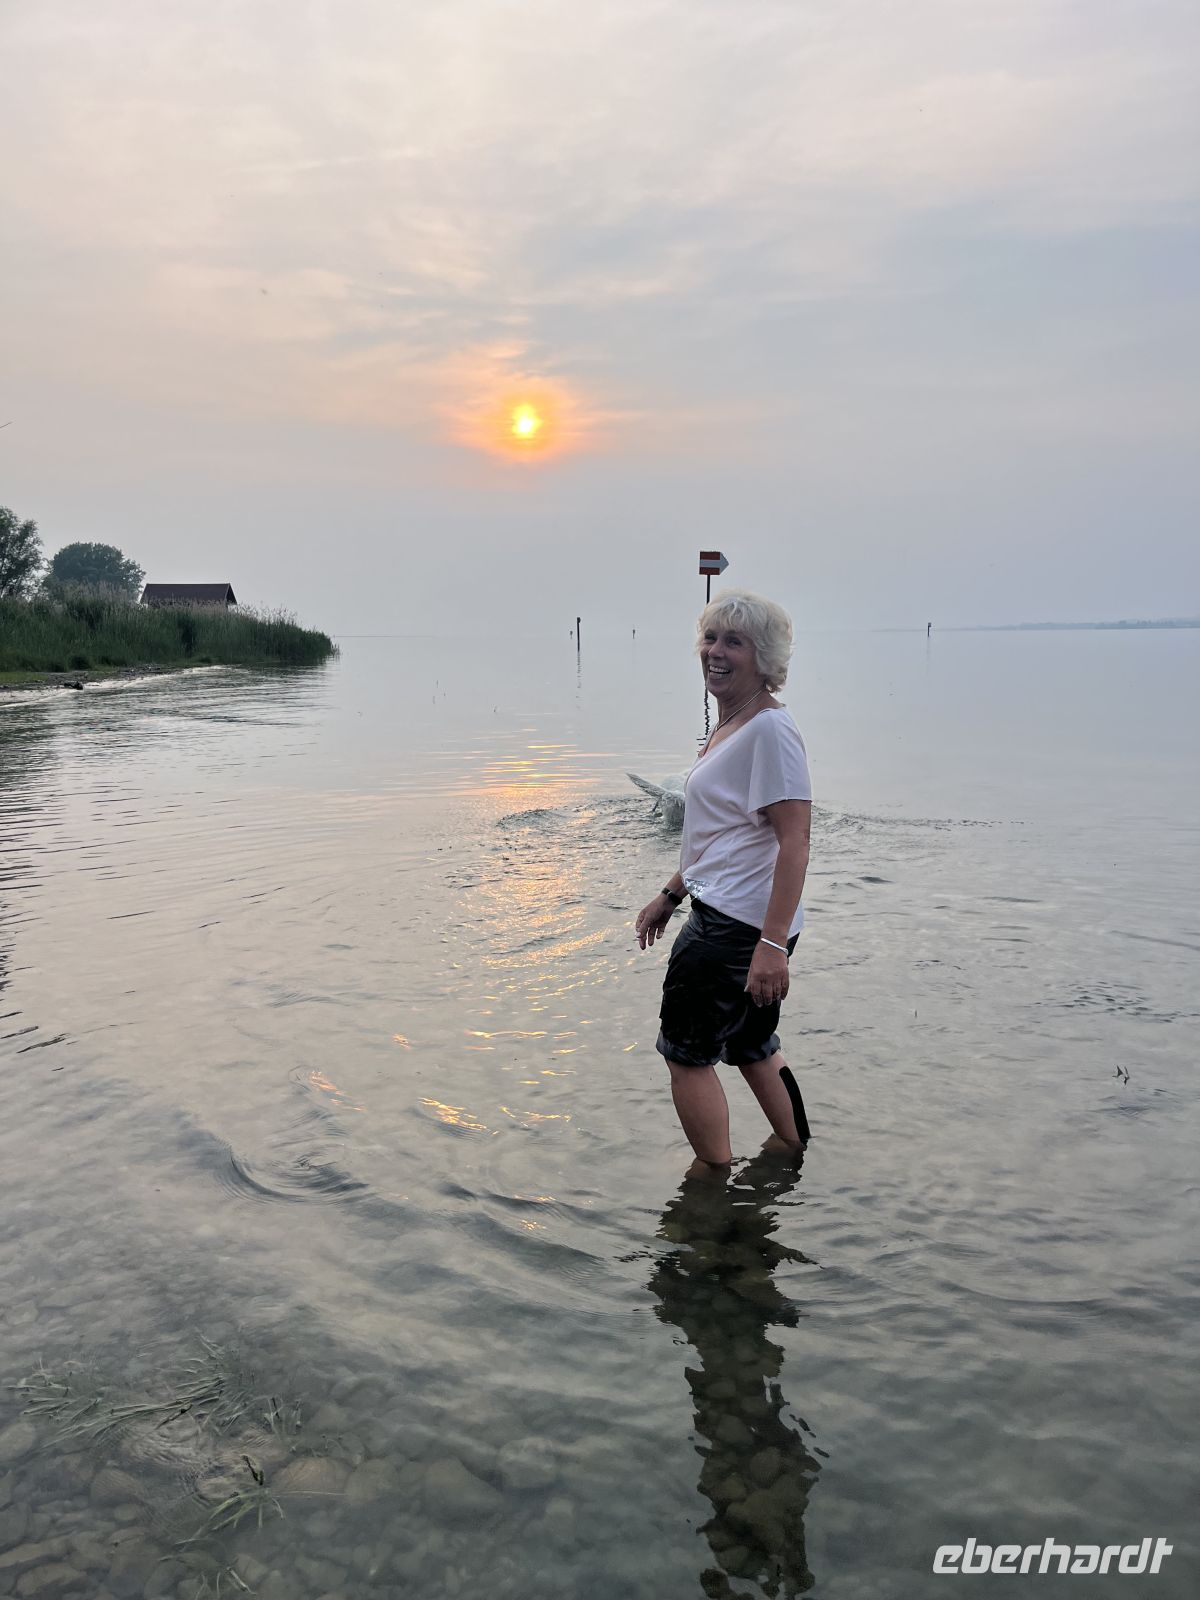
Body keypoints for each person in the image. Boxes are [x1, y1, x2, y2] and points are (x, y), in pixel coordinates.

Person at [636, 591, 813, 1170]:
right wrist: (671, 892)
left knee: (687, 1057)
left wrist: (770, 944)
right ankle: (793, 1156)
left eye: (733, 641)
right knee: (753, 1047)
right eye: (710, 638)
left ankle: (709, 1190)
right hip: (742, 921)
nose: (715, 652)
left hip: (736, 930)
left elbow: (795, 840)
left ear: (763, 657)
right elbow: (723, 835)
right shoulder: (734, 722)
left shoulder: (769, 732)